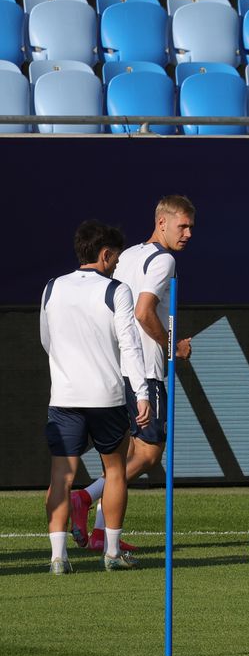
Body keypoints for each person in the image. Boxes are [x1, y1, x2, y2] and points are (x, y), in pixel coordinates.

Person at [69, 195, 195, 555]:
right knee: (149, 455)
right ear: (162, 222)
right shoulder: (164, 260)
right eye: (182, 226)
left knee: (122, 453)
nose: (188, 234)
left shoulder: (127, 256)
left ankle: (100, 532)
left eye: (191, 227)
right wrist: (173, 346)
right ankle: (85, 496)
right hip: (145, 370)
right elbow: (143, 312)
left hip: (117, 366)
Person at [41, 220, 150, 573]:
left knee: (61, 475)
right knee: (115, 471)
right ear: (105, 254)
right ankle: (112, 553)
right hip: (107, 398)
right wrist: (142, 393)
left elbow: (46, 339)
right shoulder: (117, 290)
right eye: (115, 257)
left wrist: (67, 370)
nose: (117, 264)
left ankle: (58, 558)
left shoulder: (52, 287)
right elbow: (130, 346)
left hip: (65, 396)